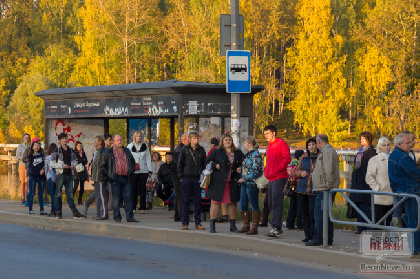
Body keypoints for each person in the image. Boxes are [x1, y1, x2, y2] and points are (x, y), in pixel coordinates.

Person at [388, 133, 420, 255]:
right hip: (410, 191)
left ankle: (401, 221)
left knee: (413, 218)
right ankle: (415, 248)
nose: (410, 145)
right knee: (414, 220)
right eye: (407, 143)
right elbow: (416, 174)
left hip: (401, 190)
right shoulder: (403, 157)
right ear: (399, 144)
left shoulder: (395, 154)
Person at [306, 134, 340, 246]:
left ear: (319, 142)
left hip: (324, 189)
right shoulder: (326, 152)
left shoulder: (327, 152)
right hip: (323, 188)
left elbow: (328, 170)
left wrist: (328, 185)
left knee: (320, 214)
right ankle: (326, 238)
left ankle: (320, 238)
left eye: (316, 143)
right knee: (324, 214)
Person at [206, 134, 244, 233]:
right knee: (215, 203)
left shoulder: (238, 152)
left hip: (233, 181)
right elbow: (207, 162)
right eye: (226, 140)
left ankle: (232, 225)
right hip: (218, 181)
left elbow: (243, 163)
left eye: (229, 140)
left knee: (232, 203)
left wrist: (240, 168)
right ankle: (212, 225)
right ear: (222, 142)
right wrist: (214, 165)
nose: (228, 141)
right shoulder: (216, 151)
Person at [101, 134, 139, 223]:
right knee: (116, 199)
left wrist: (131, 170)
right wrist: (109, 176)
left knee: (128, 197)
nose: (120, 141)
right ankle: (117, 217)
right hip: (115, 178)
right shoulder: (109, 152)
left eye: (121, 140)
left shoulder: (126, 150)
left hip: (127, 178)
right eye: (118, 140)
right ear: (113, 142)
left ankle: (130, 217)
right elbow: (103, 166)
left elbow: (132, 161)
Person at [263, 125, 291, 237]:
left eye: (267, 134)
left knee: (276, 201)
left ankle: (276, 228)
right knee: (269, 202)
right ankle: (275, 226)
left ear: (273, 133)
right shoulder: (270, 145)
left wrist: (277, 169)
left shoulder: (280, 143)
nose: (266, 136)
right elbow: (268, 161)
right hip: (271, 177)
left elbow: (287, 158)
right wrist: (266, 171)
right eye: (264, 134)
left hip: (279, 176)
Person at [49, 133, 86, 219]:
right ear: (60, 140)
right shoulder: (56, 150)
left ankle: (75, 212)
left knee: (70, 195)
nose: (65, 140)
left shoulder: (71, 150)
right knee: (58, 194)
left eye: (66, 138)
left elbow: (74, 161)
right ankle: (58, 212)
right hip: (60, 174)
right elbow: (52, 163)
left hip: (69, 174)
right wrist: (62, 166)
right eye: (63, 138)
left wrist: (74, 165)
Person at [177, 131, 206, 230]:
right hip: (186, 178)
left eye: (197, 138)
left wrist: (203, 175)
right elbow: (180, 163)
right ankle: (185, 223)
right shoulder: (185, 149)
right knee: (185, 201)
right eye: (194, 138)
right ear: (190, 139)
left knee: (198, 201)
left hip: (197, 178)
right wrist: (181, 176)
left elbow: (204, 164)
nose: (196, 140)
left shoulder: (201, 150)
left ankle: (198, 222)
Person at [350, 132, 377, 234]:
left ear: (369, 139)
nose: (361, 140)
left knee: (365, 204)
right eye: (361, 138)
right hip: (357, 181)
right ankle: (360, 227)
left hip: (365, 181)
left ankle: (369, 227)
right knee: (358, 204)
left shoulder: (371, 151)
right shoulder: (360, 151)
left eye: (363, 139)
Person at [237, 136, 263, 235]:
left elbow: (256, 171)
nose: (244, 145)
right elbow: (247, 167)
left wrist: (245, 178)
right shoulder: (248, 154)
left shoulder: (255, 154)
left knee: (253, 204)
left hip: (252, 183)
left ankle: (254, 227)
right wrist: (240, 170)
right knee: (243, 204)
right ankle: (246, 225)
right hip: (245, 183)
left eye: (245, 143)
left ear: (250, 144)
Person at [294, 138, 318, 242]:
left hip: (314, 189)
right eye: (309, 145)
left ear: (317, 145)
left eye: (313, 144)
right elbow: (296, 172)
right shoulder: (304, 158)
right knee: (304, 212)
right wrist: (301, 174)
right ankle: (307, 234)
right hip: (302, 188)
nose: (311, 147)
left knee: (312, 212)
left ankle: (314, 235)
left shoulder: (320, 158)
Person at [365, 137, 393, 226]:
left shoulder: (393, 159)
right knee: (378, 224)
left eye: (388, 145)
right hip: (380, 196)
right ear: (379, 147)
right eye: (384, 145)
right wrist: (377, 188)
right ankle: (376, 240)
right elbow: (369, 177)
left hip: (393, 196)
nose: (386, 147)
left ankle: (389, 240)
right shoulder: (374, 160)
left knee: (391, 224)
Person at [127, 132, 152, 214]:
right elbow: (128, 158)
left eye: (140, 136)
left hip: (143, 170)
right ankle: (133, 207)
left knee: (142, 189)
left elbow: (148, 158)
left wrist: (150, 170)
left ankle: (142, 207)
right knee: (133, 189)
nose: (138, 138)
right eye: (137, 136)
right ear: (134, 137)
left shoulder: (145, 146)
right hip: (134, 170)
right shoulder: (130, 146)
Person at [90, 135, 109, 220]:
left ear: (100, 142)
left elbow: (104, 165)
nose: (94, 142)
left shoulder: (104, 151)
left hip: (101, 177)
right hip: (96, 177)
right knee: (98, 196)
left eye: (95, 141)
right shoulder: (96, 151)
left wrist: (103, 175)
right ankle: (98, 214)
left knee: (102, 196)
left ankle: (104, 214)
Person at [285, 150, 305, 230]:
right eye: (303, 154)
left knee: (292, 206)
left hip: (290, 186)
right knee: (300, 206)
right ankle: (300, 224)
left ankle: (289, 223)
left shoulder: (290, 165)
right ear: (300, 156)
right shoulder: (300, 164)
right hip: (298, 186)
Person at [26, 140, 46, 215]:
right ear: (32, 147)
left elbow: (45, 163)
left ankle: (41, 210)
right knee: (31, 193)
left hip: (41, 177)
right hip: (32, 176)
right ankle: (30, 209)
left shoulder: (42, 155)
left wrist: (43, 169)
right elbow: (28, 166)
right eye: (35, 145)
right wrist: (28, 174)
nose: (36, 147)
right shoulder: (29, 156)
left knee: (40, 194)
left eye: (38, 145)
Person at [173, 134, 189, 221]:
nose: (190, 141)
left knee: (180, 195)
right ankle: (181, 215)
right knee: (180, 196)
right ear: (184, 140)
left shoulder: (180, 149)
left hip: (181, 175)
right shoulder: (179, 150)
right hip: (179, 175)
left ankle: (178, 215)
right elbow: (180, 164)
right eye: (189, 139)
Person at [45, 143, 60, 215]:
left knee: (52, 194)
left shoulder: (47, 158)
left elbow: (46, 169)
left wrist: (46, 177)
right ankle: (58, 210)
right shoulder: (59, 157)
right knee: (57, 194)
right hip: (58, 177)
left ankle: (53, 210)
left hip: (50, 177)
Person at [16, 133, 31, 205]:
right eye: (25, 138)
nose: (27, 139)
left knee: (28, 182)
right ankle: (22, 197)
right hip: (22, 165)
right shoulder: (20, 146)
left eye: (28, 138)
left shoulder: (31, 146)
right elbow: (17, 156)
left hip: (29, 166)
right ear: (23, 139)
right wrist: (23, 158)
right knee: (22, 182)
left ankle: (28, 197)